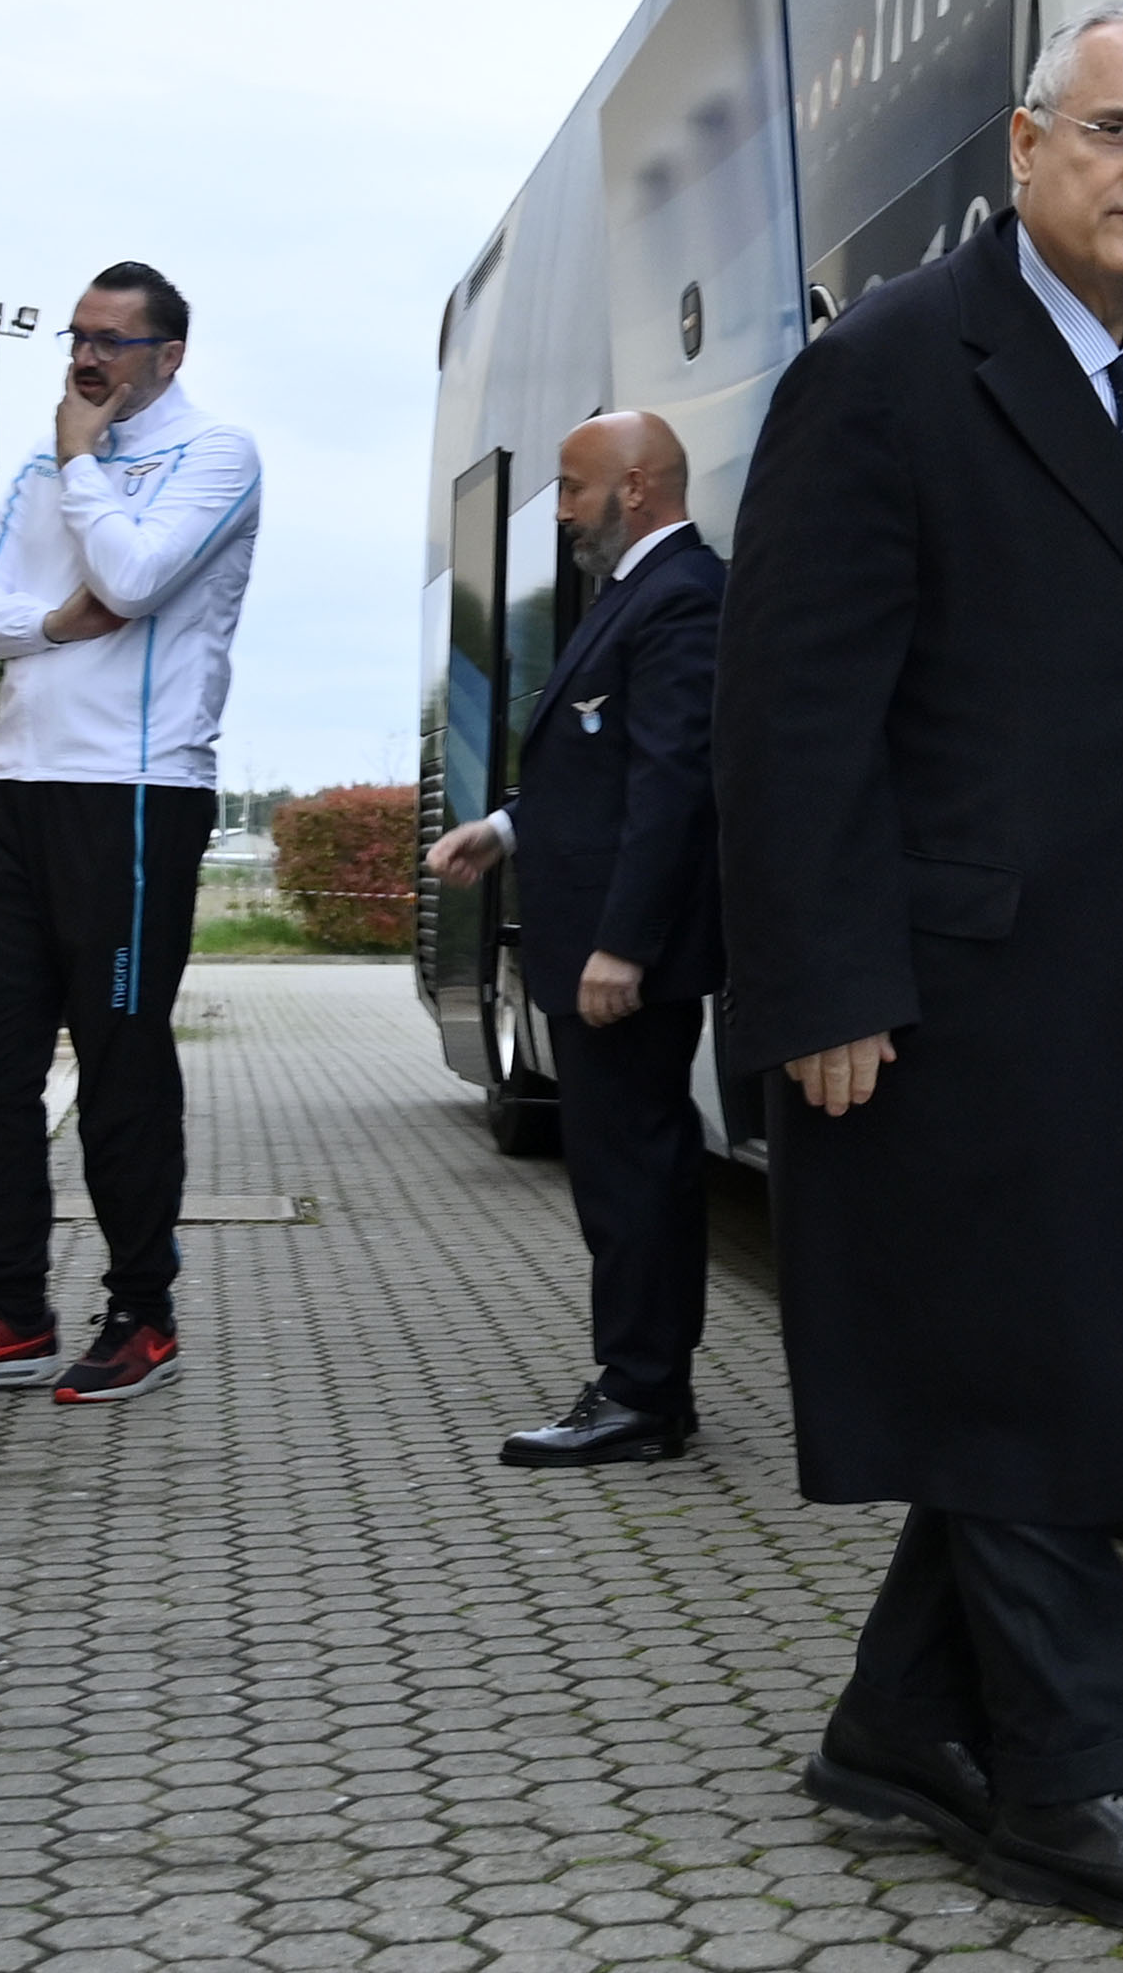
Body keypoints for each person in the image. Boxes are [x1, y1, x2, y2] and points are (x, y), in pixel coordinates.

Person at [714, 0, 1123, 1935]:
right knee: (1023, 1365)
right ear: (1025, 146)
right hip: (959, 996)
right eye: (1117, 131)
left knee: (1047, 1361)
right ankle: (1079, 1783)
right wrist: (817, 981)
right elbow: (793, 710)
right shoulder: (893, 367)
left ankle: (898, 1731)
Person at [0, 261, 260, 1405]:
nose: (86, 361)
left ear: (169, 356)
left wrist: (85, 467)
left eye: (112, 343)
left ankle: (142, 1312)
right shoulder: (47, 460)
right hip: (14, 789)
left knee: (120, 1066)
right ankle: (12, 1311)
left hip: (135, 793)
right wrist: (48, 622)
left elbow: (136, 579)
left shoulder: (216, 455)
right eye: (76, 340)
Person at [426, 409, 725, 1466]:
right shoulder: (636, 595)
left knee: (632, 1171)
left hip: (619, 959)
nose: (558, 512)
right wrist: (503, 829)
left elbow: (672, 786)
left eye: (569, 487)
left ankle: (642, 1397)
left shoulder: (682, 596)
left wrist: (626, 945)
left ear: (635, 487)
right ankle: (646, 1381)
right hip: (596, 941)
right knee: (621, 1169)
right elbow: (597, 777)